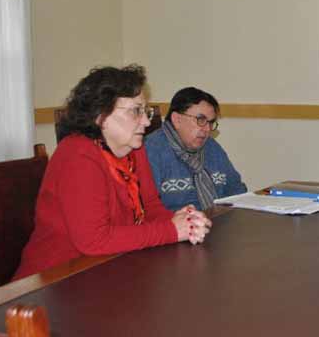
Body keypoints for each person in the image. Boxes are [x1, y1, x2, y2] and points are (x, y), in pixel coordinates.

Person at [14, 66, 211, 279]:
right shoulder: (77, 154)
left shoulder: (135, 149)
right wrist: (172, 230)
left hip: (110, 269)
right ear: (101, 116)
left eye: (146, 111)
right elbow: (94, 240)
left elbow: (151, 208)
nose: (146, 121)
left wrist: (184, 222)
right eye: (136, 111)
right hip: (54, 281)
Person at [145, 87, 247, 211]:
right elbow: (148, 209)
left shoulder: (211, 146)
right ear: (177, 119)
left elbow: (236, 188)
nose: (207, 129)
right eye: (201, 120)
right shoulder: (152, 150)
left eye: (210, 122)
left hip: (219, 223)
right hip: (176, 227)